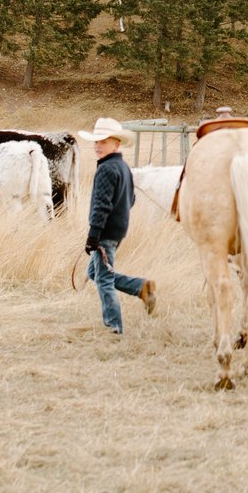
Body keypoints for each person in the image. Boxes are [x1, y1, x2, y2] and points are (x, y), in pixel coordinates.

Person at [80, 117, 155, 336]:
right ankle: (140, 288)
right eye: (96, 141)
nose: (97, 146)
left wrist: (94, 234)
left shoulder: (106, 169)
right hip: (117, 231)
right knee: (95, 272)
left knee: (103, 279)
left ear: (116, 144)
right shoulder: (123, 167)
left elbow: (101, 205)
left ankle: (114, 327)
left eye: (103, 141)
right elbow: (130, 200)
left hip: (105, 232)